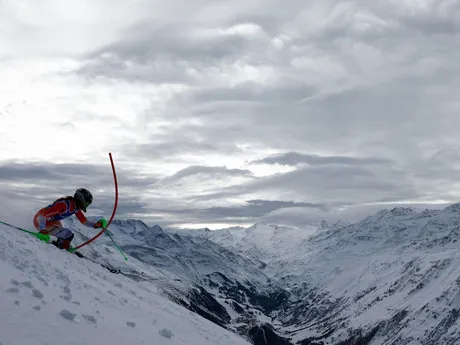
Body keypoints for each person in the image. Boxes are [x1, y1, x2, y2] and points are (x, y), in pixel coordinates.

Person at [33, 188, 107, 250]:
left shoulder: (75, 208)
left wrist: (95, 225)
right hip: (40, 220)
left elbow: (84, 221)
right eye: (85, 204)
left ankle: (61, 245)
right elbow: (42, 216)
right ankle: (62, 248)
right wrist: (43, 230)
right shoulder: (64, 205)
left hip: (51, 221)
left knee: (65, 235)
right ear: (80, 199)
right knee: (68, 234)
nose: (85, 206)